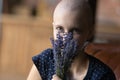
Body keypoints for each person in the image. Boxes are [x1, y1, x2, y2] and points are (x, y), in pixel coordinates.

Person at [27, 0, 116, 80]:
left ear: (90, 32)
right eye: (60, 28)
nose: (65, 37)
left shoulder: (103, 75)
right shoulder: (45, 61)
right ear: (53, 27)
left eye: (74, 30)